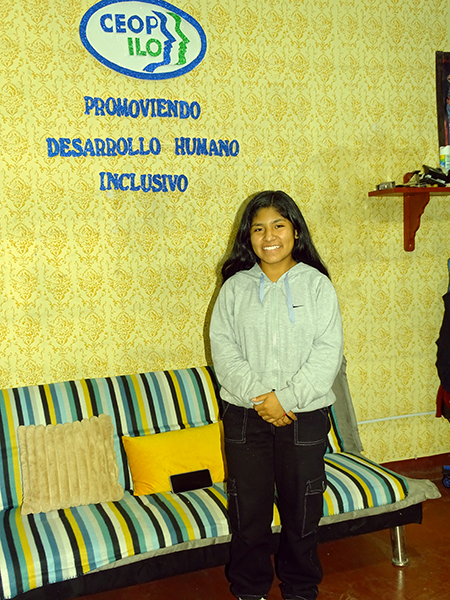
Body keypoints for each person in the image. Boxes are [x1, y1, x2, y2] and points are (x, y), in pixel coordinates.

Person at [209, 190, 343, 600]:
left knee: (303, 512)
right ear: (248, 238)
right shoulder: (234, 287)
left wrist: (285, 399)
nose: (269, 236)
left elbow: (328, 354)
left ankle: (301, 589)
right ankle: (249, 590)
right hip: (245, 416)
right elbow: (223, 347)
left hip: (304, 417)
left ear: (296, 231)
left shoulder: (317, 286)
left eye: (279, 226)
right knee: (247, 512)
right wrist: (262, 397)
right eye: (258, 228)